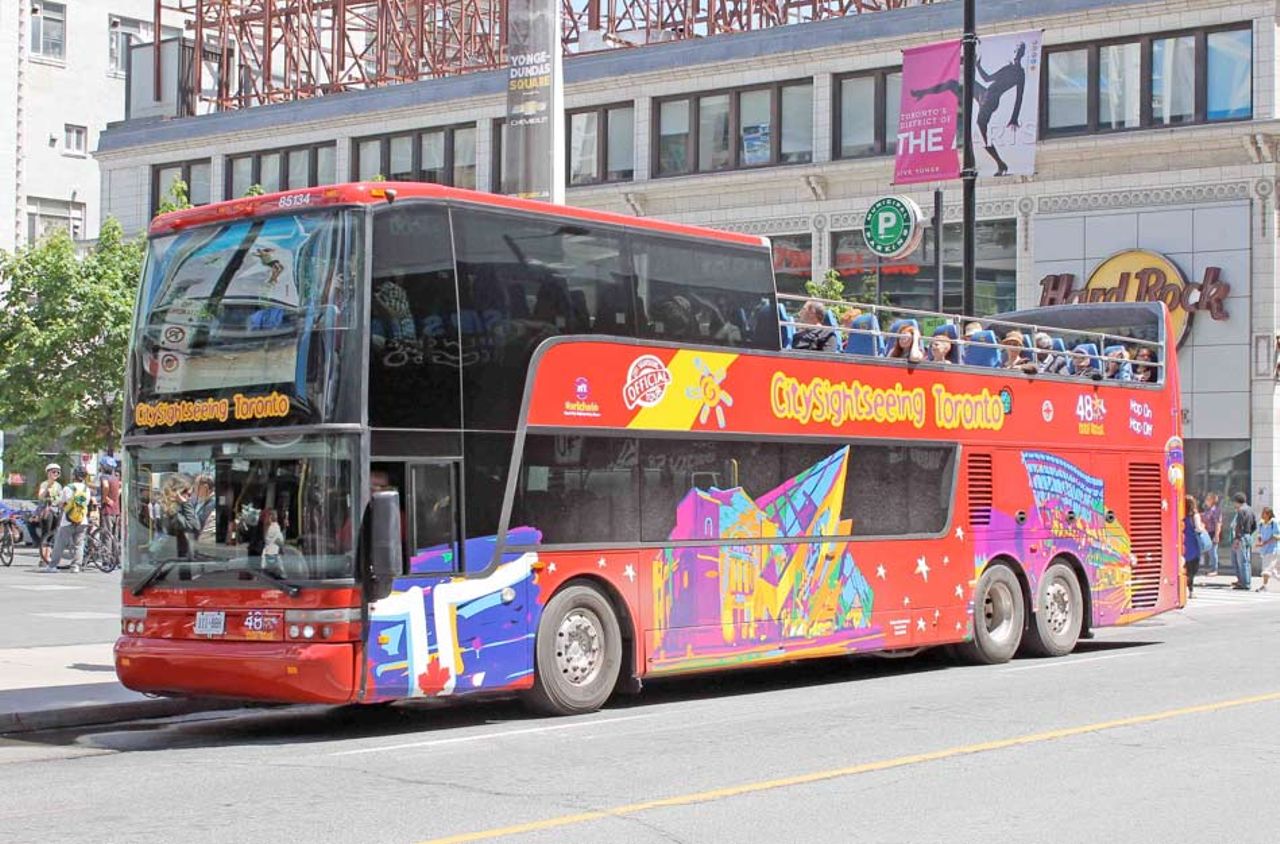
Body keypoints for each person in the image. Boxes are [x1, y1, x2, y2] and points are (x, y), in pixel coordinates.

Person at [41, 467, 92, 573]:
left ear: (74, 476)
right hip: (82, 520)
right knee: (79, 544)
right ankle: (76, 566)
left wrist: (59, 503)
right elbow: (86, 503)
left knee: (60, 544)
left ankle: (52, 566)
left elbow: (60, 502)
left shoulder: (68, 488)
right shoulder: (86, 489)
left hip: (68, 520)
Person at [1230, 492, 1257, 590]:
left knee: (1241, 561)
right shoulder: (1250, 509)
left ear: (1237, 502)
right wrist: (1249, 533)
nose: (1234, 504)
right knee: (1246, 560)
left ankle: (1244, 583)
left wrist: (1237, 539)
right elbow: (1255, 525)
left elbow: (1239, 526)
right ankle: (1246, 581)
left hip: (1241, 537)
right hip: (1248, 536)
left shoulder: (1241, 511)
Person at [34, 464, 62, 554]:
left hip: (56, 511)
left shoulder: (58, 485)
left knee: (52, 534)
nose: (56, 474)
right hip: (47, 511)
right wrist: (48, 488)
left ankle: (48, 555)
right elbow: (40, 497)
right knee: (46, 533)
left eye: (58, 472)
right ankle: (43, 557)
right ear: (48, 473)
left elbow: (61, 498)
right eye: (54, 471)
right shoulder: (44, 484)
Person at [1183, 495, 1204, 597]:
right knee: (1193, 567)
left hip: (1184, 542)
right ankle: (1191, 590)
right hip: (1193, 543)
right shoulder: (1195, 515)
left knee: (1186, 566)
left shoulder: (1181, 515)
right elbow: (1199, 529)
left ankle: (1186, 587)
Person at [1255, 506, 1280, 591]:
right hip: (1264, 550)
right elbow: (1259, 534)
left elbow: (1277, 536)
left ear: (1269, 514)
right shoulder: (1261, 523)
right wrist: (1259, 541)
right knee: (1273, 572)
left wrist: (1264, 543)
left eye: (1264, 513)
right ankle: (1264, 586)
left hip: (1273, 549)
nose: (1262, 515)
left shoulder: (1274, 523)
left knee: (1266, 568)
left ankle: (1264, 586)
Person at [1201, 492, 1223, 576]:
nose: (1206, 500)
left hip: (1213, 532)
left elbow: (1218, 523)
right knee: (1210, 551)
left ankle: (1215, 569)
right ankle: (1211, 567)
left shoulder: (1216, 510)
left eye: (1208, 499)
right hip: (1207, 532)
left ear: (1212, 500)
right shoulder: (1208, 510)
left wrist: (1216, 535)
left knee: (1213, 551)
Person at [261, 507, 285, 572]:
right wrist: (282, 549)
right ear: (271, 516)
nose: (277, 516)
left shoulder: (266, 526)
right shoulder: (275, 526)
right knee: (278, 574)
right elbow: (278, 540)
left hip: (267, 552)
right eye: (275, 514)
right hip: (274, 553)